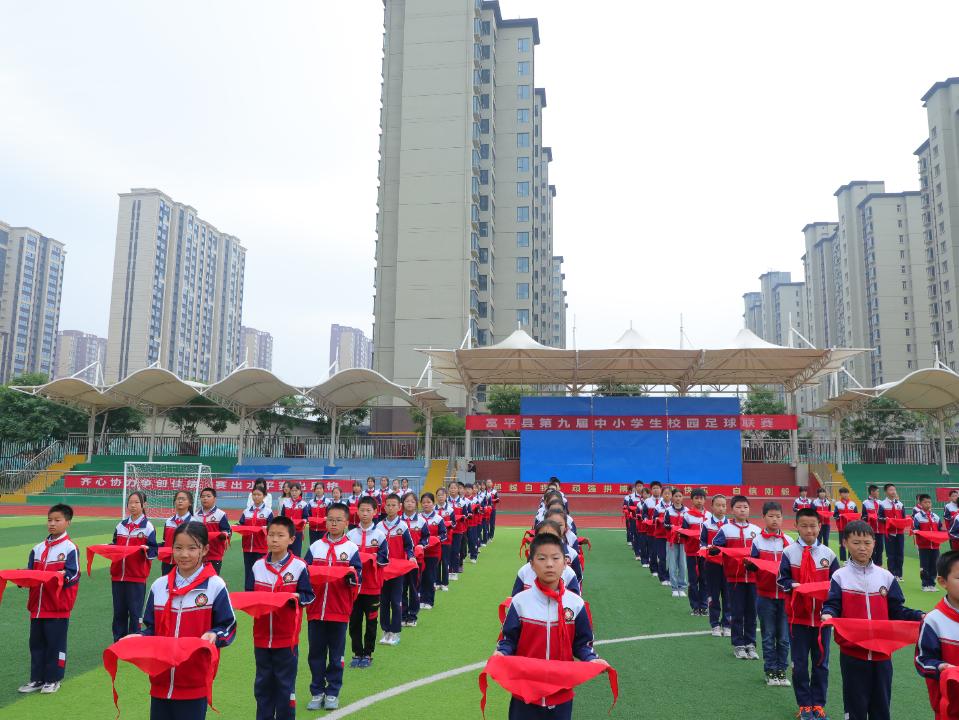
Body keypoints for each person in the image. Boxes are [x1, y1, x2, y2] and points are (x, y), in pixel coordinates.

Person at [495, 533, 605, 719]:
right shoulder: (520, 602)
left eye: (555, 558)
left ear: (565, 563)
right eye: (541, 558)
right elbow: (508, 640)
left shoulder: (576, 604)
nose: (549, 564)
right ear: (531, 564)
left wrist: (591, 658)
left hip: (560, 693)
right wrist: (501, 653)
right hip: (525, 694)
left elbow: (582, 643)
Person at [821, 520, 923, 720]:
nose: (862, 548)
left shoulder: (886, 577)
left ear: (874, 544)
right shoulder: (840, 576)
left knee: (881, 706)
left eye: (867, 543)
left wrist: (919, 615)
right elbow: (833, 604)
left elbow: (897, 611)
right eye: (856, 542)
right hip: (852, 653)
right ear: (845, 543)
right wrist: (828, 613)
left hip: (882, 654)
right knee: (855, 706)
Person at [140, 521, 236, 720]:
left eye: (192, 548)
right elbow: (151, 628)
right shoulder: (159, 586)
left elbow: (228, 625)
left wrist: (214, 634)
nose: (184, 554)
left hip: (194, 682)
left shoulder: (215, 586)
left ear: (205, 550)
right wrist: (139, 638)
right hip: (160, 682)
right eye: (178, 548)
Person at [250, 516, 314, 720]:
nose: (274, 539)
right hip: (261, 638)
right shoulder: (257, 566)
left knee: (285, 688)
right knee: (262, 686)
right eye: (271, 535)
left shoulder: (299, 566)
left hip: (287, 639)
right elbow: (249, 595)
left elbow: (308, 595)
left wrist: (295, 597)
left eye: (280, 535)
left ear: (292, 539)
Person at [779, 507, 839, 720]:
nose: (809, 530)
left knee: (821, 664)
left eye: (813, 526)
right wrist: (793, 585)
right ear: (796, 526)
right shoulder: (788, 552)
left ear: (820, 527)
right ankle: (804, 705)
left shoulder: (829, 554)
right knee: (799, 664)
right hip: (798, 619)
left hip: (822, 620)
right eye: (804, 526)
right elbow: (782, 580)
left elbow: (836, 584)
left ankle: (818, 705)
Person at [303, 503, 362, 711]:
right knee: (315, 655)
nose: (334, 523)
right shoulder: (315, 547)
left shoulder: (352, 549)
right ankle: (317, 691)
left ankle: (333, 692)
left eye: (338, 520)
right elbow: (304, 573)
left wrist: (351, 578)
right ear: (325, 521)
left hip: (339, 611)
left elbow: (358, 577)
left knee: (336, 656)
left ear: (346, 523)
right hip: (316, 611)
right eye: (330, 519)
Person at [17, 504, 79, 696]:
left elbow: (74, 574)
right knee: (36, 645)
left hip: (57, 607)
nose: (52, 524)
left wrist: (61, 575)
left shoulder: (70, 548)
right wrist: (21, 578)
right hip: (37, 607)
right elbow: (31, 573)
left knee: (55, 645)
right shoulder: (37, 549)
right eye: (50, 520)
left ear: (67, 522)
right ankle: (37, 679)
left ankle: (53, 679)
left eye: (57, 520)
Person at [711, 495, 761, 660]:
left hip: (753, 579)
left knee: (752, 612)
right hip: (734, 579)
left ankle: (751, 644)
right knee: (737, 612)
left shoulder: (756, 530)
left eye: (745, 507)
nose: (742, 510)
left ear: (749, 510)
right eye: (738, 507)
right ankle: (738, 644)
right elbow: (716, 546)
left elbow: (760, 553)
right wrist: (715, 550)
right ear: (732, 510)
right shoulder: (726, 529)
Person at [750, 501, 791, 687]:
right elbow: (753, 564)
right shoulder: (757, 541)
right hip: (765, 596)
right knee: (768, 635)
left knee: (783, 637)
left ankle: (782, 670)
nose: (775, 520)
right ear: (763, 517)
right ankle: (770, 671)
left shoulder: (789, 541)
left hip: (785, 597)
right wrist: (751, 566)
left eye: (778, 516)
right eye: (771, 516)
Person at [346, 497, 390, 668]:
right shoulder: (350, 535)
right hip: (354, 587)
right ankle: (357, 653)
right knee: (354, 622)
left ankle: (368, 654)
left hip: (372, 587)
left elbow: (384, 559)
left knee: (371, 622)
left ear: (375, 512)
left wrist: (372, 558)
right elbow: (345, 558)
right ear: (357, 512)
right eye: (362, 510)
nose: (365, 513)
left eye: (368, 510)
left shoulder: (380, 535)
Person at [915, 550, 959, 716]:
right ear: (942, 581)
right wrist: (941, 667)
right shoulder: (934, 621)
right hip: (951, 708)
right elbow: (922, 660)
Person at [110, 491, 158, 641]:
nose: (133, 505)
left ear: (144, 505)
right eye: (130, 502)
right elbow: (115, 545)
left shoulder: (148, 527)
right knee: (119, 612)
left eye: (137, 502)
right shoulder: (121, 525)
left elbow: (154, 551)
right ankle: (118, 642)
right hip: (118, 576)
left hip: (136, 577)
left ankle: (134, 643)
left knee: (135, 613)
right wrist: (108, 547)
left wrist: (146, 549)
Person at [376, 494, 414, 646]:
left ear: (399, 507)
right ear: (384, 507)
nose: (391, 508)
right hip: (382, 570)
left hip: (398, 571)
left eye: (394, 505)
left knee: (396, 601)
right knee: (384, 601)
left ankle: (395, 632)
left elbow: (409, 546)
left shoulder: (403, 526)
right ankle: (386, 631)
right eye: (388, 505)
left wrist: (411, 557)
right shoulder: (379, 526)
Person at [512, 520, 581, 596]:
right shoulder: (524, 571)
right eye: (542, 558)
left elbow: (576, 598)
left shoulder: (569, 573)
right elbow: (515, 598)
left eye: (552, 537)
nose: (549, 564)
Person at [702, 494, 731, 637]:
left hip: (728, 566)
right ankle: (715, 624)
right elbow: (702, 544)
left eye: (724, 505)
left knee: (728, 595)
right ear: (712, 507)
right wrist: (710, 549)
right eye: (718, 505)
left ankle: (727, 624)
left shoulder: (730, 525)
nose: (721, 508)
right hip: (712, 565)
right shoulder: (706, 524)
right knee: (713, 595)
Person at [238, 485, 274, 591]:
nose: (256, 497)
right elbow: (241, 524)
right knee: (248, 570)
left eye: (259, 494)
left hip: (261, 547)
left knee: (261, 570)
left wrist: (264, 528)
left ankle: (260, 591)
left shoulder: (268, 512)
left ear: (264, 496)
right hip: (247, 547)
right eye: (254, 494)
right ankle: (248, 591)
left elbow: (271, 528)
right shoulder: (246, 511)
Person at [400, 493, 427, 627]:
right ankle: (403, 615)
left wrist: (421, 545)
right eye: (407, 501)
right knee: (401, 588)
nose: (409, 503)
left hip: (416, 560)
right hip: (400, 561)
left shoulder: (421, 521)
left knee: (414, 587)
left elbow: (426, 537)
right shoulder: (398, 521)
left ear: (416, 504)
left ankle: (412, 615)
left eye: (412, 501)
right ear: (402, 504)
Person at [681, 488, 708, 615]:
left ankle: (704, 606)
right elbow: (683, 533)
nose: (699, 501)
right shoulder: (687, 515)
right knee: (693, 580)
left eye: (701, 498)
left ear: (705, 500)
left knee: (704, 579)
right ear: (692, 500)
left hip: (705, 553)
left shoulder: (709, 516)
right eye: (696, 498)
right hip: (691, 552)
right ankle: (695, 606)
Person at [419, 492, 447, 610]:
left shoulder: (438, 519)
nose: (426, 504)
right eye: (424, 502)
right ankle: (421, 599)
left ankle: (429, 601)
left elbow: (444, 535)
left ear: (433, 503)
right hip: (420, 553)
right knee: (421, 576)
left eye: (428, 502)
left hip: (433, 553)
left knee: (430, 576)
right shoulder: (418, 518)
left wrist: (435, 539)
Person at [196, 487, 231, 574]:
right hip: (198, 555)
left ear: (214, 499)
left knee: (212, 579)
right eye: (203, 496)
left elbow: (227, 531)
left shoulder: (220, 514)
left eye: (208, 496)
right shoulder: (195, 515)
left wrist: (224, 535)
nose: (205, 498)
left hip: (214, 554)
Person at [914, 493, 944, 592]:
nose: (928, 504)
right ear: (920, 504)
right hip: (923, 546)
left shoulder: (935, 516)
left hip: (935, 546)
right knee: (924, 565)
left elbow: (940, 529)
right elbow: (915, 529)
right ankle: (925, 584)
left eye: (929, 502)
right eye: (925, 502)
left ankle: (932, 584)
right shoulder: (917, 516)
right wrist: (923, 535)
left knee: (934, 565)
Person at [662, 489, 689, 599]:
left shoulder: (687, 511)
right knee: (672, 565)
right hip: (671, 541)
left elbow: (688, 526)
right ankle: (674, 588)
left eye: (680, 496)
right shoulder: (668, 510)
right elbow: (665, 524)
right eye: (676, 496)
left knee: (683, 565)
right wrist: (673, 527)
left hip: (683, 541)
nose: (678, 498)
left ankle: (682, 587)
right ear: (672, 497)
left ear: (683, 497)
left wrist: (682, 529)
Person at [160, 490, 194, 575]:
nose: (180, 501)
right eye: (178, 499)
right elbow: (164, 541)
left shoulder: (194, 522)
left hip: (185, 562)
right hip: (167, 562)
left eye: (183, 499)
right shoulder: (168, 521)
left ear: (190, 503)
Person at [878, 483, 906, 580]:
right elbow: (879, 518)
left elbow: (903, 518)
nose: (893, 492)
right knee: (891, 554)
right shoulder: (882, 504)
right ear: (886, 492)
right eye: (890, 490)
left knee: (900, 554)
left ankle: (899, 574)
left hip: (900, 533)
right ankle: (892, 574)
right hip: (889, 533)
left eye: (894, 490)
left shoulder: (900, 504)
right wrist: (885, 519)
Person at [644, 481, 669, 584]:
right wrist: (646, 519)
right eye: (654, 488)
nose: (656, 490)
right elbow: (644, 514)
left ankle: (664, 573)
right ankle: (654, 569)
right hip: (651, 530)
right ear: (651, 490)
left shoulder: (667, 502)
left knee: (664, 555)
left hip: (664, 532)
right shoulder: (647, 501)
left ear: (661, 490)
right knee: (653, 551)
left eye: (657, 488)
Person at [279, 482, 310, 557]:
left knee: (296, 553)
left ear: (300, 491)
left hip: (297, 532)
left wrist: (301, 522)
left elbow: (306, 518)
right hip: (286, 531)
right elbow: (282, 516)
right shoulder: (286, 502)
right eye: (292, 490)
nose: (294, 492)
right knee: (285, 552)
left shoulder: (303, 504)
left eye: (296, 490)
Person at [435, 487, 455, 592]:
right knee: (437, 562)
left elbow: (454, 523)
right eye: (438, 495)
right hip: (435, 541)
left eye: (442, 495)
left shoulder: (450, 509)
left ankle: (445, 583)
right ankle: (437, 582)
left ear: (446, 496)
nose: (440, 497)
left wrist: (447, 524)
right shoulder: (433, 509)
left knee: (445, 561)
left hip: (447, 540)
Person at [833, 487, 858, 562]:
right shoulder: (837, 504)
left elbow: (856, 515)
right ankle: (843, 560)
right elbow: (835, 516)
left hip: (851, 527)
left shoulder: (853, 504)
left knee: (851, 543)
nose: (846, 494)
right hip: (842, 527)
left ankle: (851, 559)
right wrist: (840, 516)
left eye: (847, 493)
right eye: (843, 493)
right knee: (842, 544)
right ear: (840, 494)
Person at [861, 485, 883, 566]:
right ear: (872, 492)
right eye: (877, 491)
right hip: (870, 530)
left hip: (880, 529)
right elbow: (863, 517)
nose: (878, 493)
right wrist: (870, 517)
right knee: (871, 548)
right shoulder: (865, 503)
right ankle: (871, 564)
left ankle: (879, 565)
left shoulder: (881, 503)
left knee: (880, 548)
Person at [623, 481, 643, 559]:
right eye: (638, 486)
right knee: (636, 535)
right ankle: (637, 553)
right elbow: (629, 508)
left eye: (641, 486)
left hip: (643, 520)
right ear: (635, 487)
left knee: (643, 537)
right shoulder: (631, 497)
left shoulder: (646, 496)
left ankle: (642, 552)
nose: (639, 488)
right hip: (634, 519)